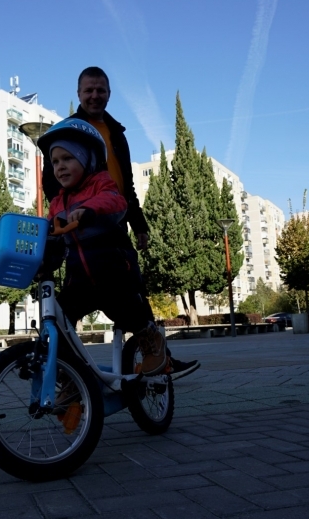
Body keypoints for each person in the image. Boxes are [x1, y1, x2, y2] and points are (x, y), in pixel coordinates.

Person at [42, 66, 199, 380]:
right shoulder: (68, 131)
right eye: (89, 90)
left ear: (108, 94)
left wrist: (138, 223)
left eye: (100, 90)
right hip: (76, 223)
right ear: (79, 94)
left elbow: (124, 187)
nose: (95, 95)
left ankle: (159, 356)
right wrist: (57, 225)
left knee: (130, 293)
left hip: (110, 218)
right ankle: (68, 375)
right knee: (62, 311)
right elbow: (52, 181)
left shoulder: (116, 133)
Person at [38, 118, 167, 375]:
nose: (60, 167)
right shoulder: (57, 202)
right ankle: (70, 376)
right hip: (79, 279)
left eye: (67, 159)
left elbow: (114, 201)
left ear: (86, 159)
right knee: (59, 316)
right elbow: (50, 230)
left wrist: (89, 210)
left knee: (126, 308)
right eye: (55, 162)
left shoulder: (101, 183)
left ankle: (152, 340)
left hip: (112, 269)